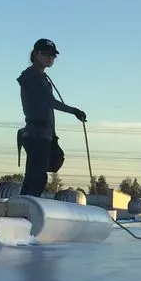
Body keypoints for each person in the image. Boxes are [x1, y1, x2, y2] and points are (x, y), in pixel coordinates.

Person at [17, 38, 87, 198]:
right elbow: (49, 102)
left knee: (33, 178)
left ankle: (23, 210)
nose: (50, 58)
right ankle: (26, 212)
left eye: (53, 55)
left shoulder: (39, 76)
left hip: (40, 133)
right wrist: (73, 110)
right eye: (46, 54)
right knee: (37, 178)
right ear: (36, 54)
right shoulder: (33, 77)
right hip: (37, 134)